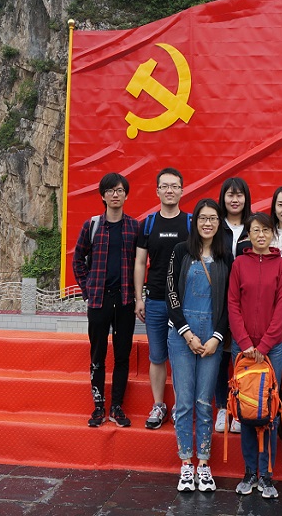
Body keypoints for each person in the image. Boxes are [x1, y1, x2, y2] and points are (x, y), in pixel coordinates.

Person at [166, 199, 234, 492]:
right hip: (182, 335)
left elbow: (230, 301)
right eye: (203, 218)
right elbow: (170, 293)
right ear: (195, 222)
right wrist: (187, 334)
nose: (208, 223)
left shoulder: (225, 257)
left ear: (219, 223)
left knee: (205, 402)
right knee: (184, 402)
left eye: (213, 219)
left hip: (211, 337)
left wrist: (216, 337)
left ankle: (204, 464)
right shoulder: (181, 250)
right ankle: (185, 463)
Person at [228, 213, 282, 499]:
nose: (261, 235)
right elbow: (233, 304)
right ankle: (249, 471)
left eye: (266, 230)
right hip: (242, 349)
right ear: (249, 235)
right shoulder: (239, 264)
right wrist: (244, 343)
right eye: (256, 230)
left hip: (271, 349)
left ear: (272, 233)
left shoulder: (281, 266)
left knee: (268, 411)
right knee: (246, 408)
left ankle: (267, 474)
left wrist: (263, 347)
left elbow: (281, 310)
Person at [72, 172, 138, 428]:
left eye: (120, 190)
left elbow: (141, 262)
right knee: (97, 355)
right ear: (103, 196)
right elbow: (78, 259)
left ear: (126, 195)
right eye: (110, 191)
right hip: (98, 301)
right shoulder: (92, 226)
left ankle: (117, 407)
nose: (115, 195)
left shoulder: (134, 227)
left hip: (124, 300)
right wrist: (88, 288)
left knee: (122, 356)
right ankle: (98, 406)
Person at [134, 168, 190, 429]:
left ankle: (181, 406)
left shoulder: (190, 223)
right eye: (165, 186)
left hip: (184, 302)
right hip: (155, 299)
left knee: (181, 356)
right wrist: (139, 298)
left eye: (174, 186)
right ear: (157, 191)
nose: (169, 190)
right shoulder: (148, 224)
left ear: (181, 190)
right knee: (157, 356)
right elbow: (140, 262)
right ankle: (159, 404)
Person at [214, 177, 252, 434]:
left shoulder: (254, 226)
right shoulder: (215, 225)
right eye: (230, 194)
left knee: (240, 355)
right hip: (218, 300)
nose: (235, 199)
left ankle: (239, 406)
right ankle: (221, 407)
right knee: (220, 355)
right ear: (223, 198)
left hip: (246, 303)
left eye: (239, 195)